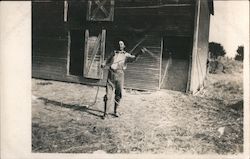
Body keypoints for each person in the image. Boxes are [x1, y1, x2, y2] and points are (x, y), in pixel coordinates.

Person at [101, 40, 145, 119]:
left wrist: (139, 53)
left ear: (124, 46)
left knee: (118, 94)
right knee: (108, 95)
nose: (119, 45)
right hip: (111, 75)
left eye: (121, 44)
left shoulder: (126, 55)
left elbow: (133, 58)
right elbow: (107, 59)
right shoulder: (113, 53)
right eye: (118, 44)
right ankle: (105, 113)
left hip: (120, 75)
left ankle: (115, 111)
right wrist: (104, 63)